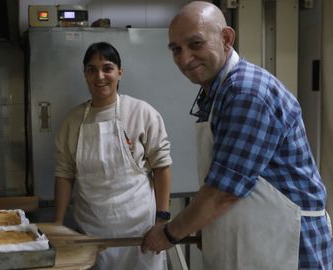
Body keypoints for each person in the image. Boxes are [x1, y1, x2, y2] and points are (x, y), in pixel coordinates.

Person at [141, 1, 333, 270]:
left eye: (195, 44)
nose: (184, 59)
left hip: (287, 247)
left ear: (226, 38)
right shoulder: (218, 93)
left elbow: (224, 191)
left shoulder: (246, 92)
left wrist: (171, 233)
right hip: (257, 239)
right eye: (176, 49)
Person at [54, 41, 172, 270]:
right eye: (92, 69)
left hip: (141, 233)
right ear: (85, 75)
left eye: (107, 68)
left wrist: (162, 220)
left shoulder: (141, 112)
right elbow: (64, 174)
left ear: (120, 72)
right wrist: (57, 224)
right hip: (92, 232)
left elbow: (162, 167)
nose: (100, 76)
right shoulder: (73, 121)